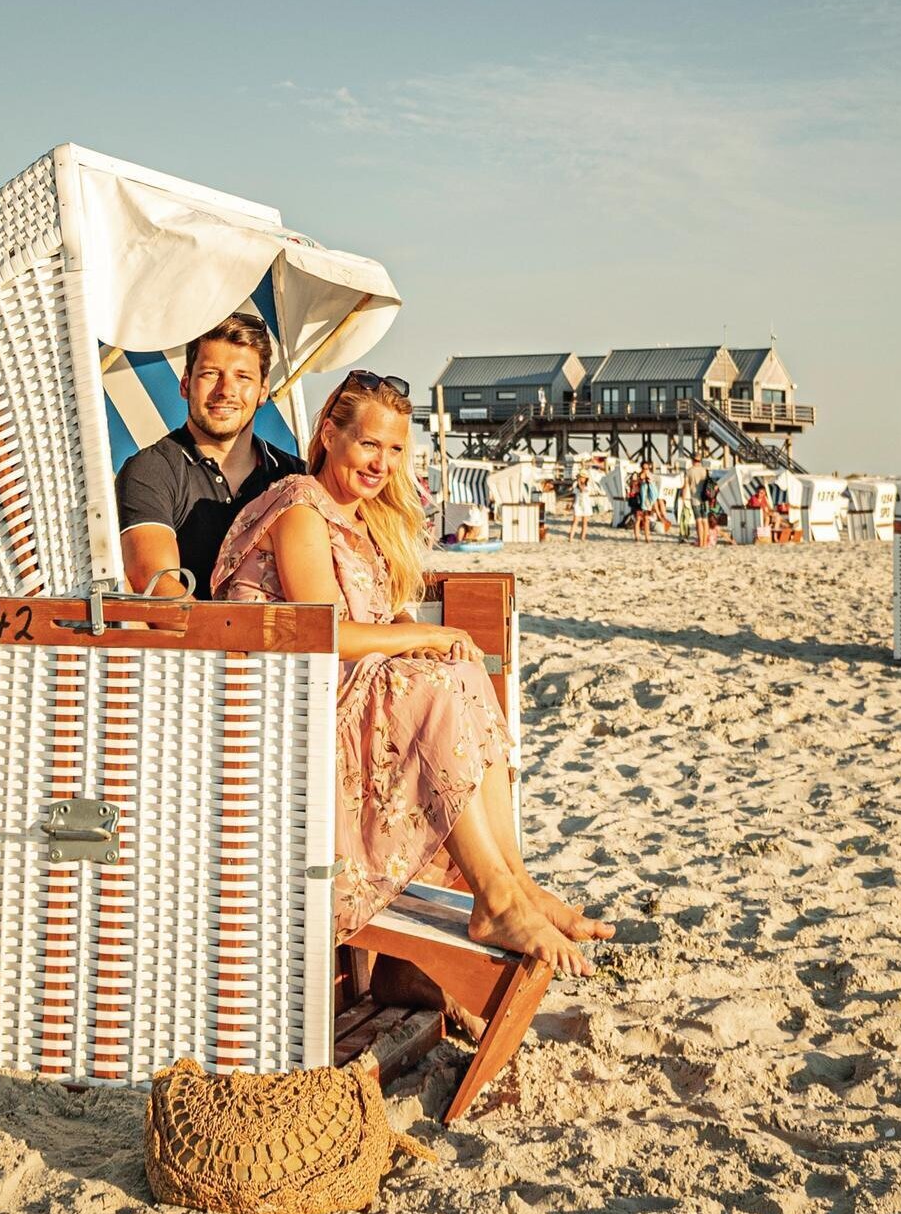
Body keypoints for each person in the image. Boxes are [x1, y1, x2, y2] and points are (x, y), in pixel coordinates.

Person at [213, 371, 612, 977]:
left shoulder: (364, 519)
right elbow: (328, 634)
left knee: (464, 674)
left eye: (396, 449)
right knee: (431, 686)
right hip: (290, 708)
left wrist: (419, 632)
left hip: (339, 690)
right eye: (370, 444)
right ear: (330, 434)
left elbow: (371, 615)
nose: (382, 463)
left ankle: (515, 883)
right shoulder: (300, 509)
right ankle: (496, 898)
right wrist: (425, 632)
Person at [115, 315, 303, 600]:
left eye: (242, 377)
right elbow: (154, 585)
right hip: (190, 642)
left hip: (282, 639)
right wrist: (230, 642)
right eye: (211, 374)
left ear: (263, 390)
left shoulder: (295, 477)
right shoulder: (151, 470)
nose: (225, 390)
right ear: (185, 384)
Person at [570, 464, 595, 540]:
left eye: (583, 477)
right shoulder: (576, 485)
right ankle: (571, 537)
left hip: (586, 505)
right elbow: (574, 495)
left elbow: (582, 489)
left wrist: (579, 482)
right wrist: (572, 504)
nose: (581, 478)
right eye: (580, 477)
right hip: (578, 504)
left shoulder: (588, 486)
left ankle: (583, 537)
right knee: (575, 521)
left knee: (584, 522)